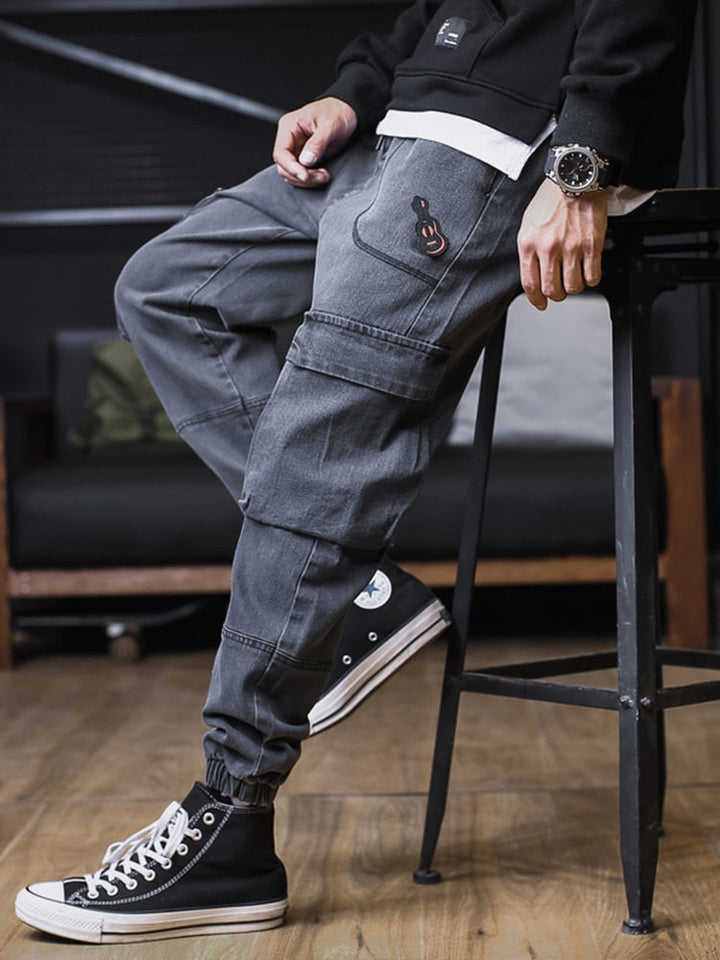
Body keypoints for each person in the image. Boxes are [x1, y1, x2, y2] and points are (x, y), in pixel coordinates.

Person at [15, 0, 697, 943]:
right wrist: (354, 89)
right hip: (395, 131)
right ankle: (360, 590)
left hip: (498, 146)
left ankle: (231, 818)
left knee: (316, 441)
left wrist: (582, 161)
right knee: (168, 290)